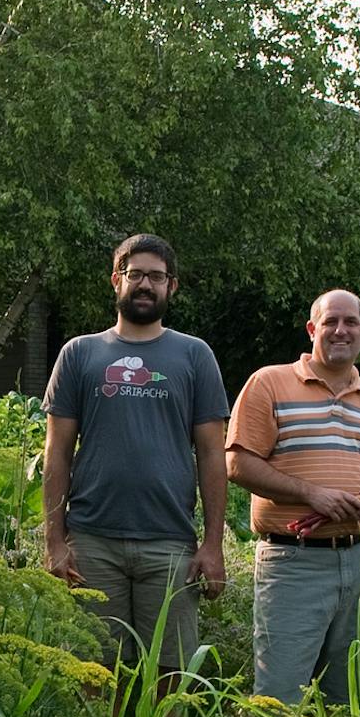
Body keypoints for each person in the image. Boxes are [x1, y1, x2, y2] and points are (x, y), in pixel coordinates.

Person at [43, 233, 230, 672]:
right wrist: (54, 541)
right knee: (94, 674)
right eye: (136, 274)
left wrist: (213, 544)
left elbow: (211, 455)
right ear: (116, 280)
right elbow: (57, 453)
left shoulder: (194, 355)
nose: (146, 285)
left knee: (169, 676)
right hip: (91, 543)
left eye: (157, 277)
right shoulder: (79, 353)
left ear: (172, 287)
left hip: (169, 545)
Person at [226, 288, 360, 706]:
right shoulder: (269, 383)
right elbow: (239, 463)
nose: (340, 330)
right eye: (331, 321)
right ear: (313, 329)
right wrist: (314, 495)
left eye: (351, 322)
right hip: (294, 563)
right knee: (278, 695)